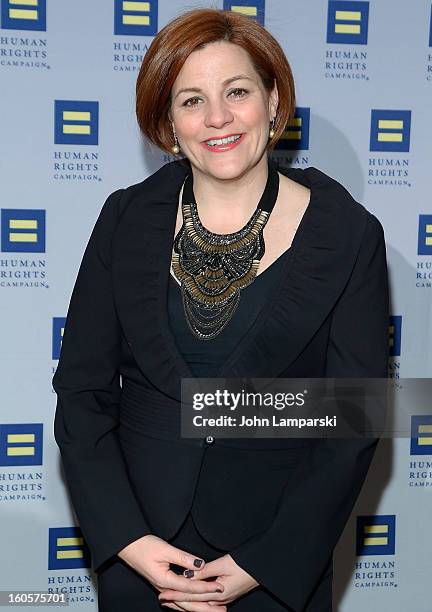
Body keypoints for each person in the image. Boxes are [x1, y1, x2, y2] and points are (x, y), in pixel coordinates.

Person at [52, 8, 389, 612]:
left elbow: (353, 419)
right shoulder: (123, 220)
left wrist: (266, 560)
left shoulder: (350, 235)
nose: (217, 119)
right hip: (143, 550)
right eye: (191, 100)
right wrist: (128, 539)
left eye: (237, 92)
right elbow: (82, 392)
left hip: (272, 560)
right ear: (167, 124)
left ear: (274, 100)